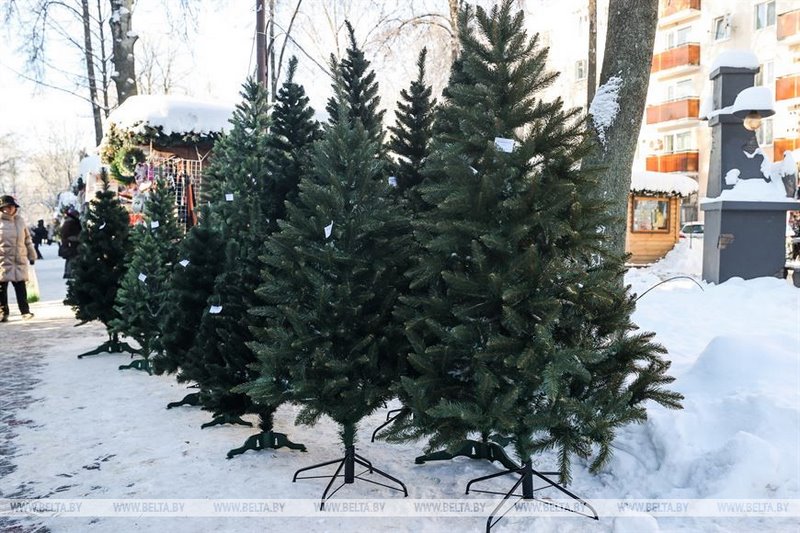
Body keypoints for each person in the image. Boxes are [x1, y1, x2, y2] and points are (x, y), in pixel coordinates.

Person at [0, 195, 36, 322]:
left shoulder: (20, 221)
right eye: (6, 207)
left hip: (18, 260)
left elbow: (27, 239)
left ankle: (25, 311)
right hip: (2, 261)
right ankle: (3, 312)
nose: (10, 209)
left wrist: (32, 255)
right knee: (1, 289)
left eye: (12, 206)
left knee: (21, 287)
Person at [59, 207, 82, 279]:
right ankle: (69, 272)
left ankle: (68, 272)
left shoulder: (67, 222)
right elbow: (67, 234)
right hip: (72, 243)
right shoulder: (71, 223)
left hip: (70, 243)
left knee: (70, 258)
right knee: (72, 257)